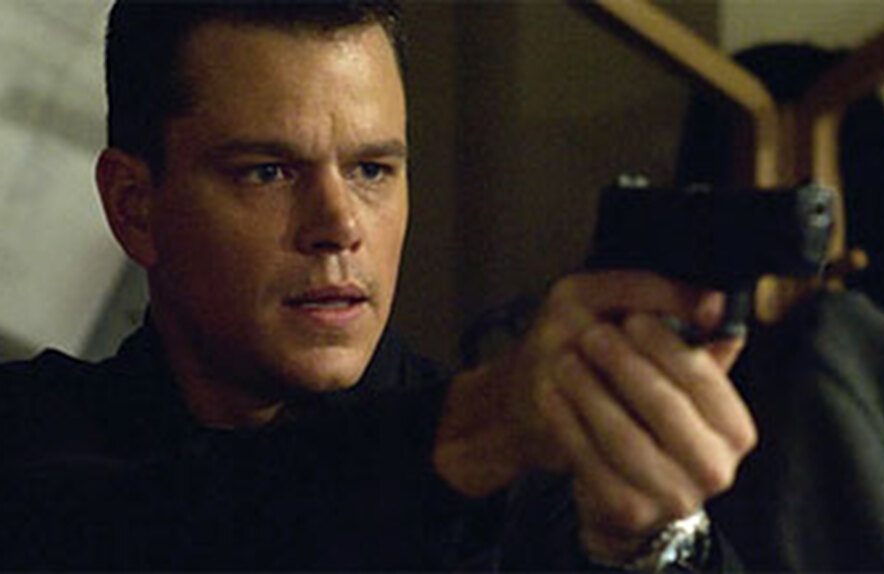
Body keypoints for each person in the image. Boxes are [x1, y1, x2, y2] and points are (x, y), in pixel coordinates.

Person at [0, 1, 756, 570]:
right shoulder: (35, 443)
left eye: (371, 169)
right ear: (134, 206)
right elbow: (153, 530)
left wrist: (655, 538)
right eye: (268, 171)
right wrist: (479, 426)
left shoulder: (539, 487)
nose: (339, 224)